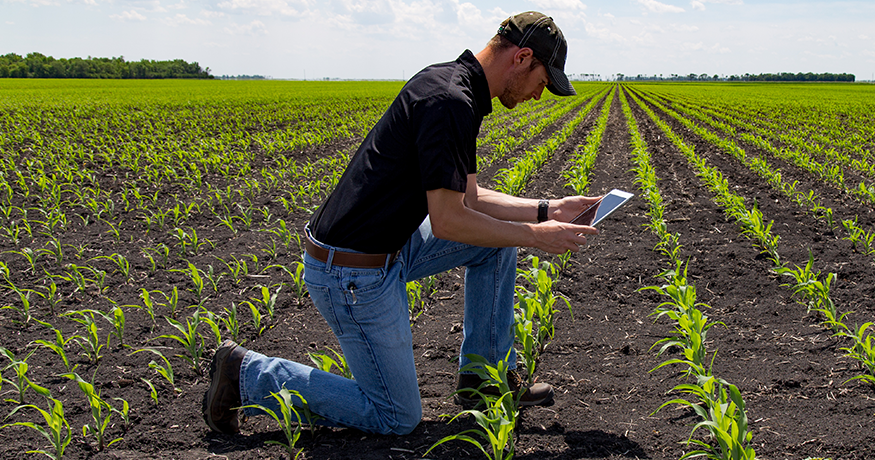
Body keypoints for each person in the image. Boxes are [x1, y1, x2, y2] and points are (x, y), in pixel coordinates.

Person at [202, 11, 600, 436]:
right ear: (521, 57)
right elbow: (448, 221)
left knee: (494, 242)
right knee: (395, 417)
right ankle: (245, 373)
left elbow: (469, 199)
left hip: (386, 247)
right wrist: (538, 237)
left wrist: (548, 209)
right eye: (543, 80)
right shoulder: (451, 101)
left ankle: (484, 379)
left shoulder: (454, 85)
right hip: (351, 272)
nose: (540, 94)